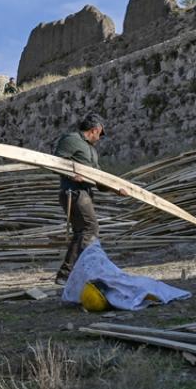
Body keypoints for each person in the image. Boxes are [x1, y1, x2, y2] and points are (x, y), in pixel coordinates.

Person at [52, 113, 125, 285]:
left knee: (82, 232)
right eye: (99, 134)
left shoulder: (91, 151)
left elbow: (99, 180)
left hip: (84, 194)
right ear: (94, 130)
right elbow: (55, 163)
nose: (99, 138)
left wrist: (116, 190)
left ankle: (69, 274)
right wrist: (71, 175)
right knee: (89, 229)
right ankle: (66, 273)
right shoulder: (71, 140)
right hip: (73, 192)